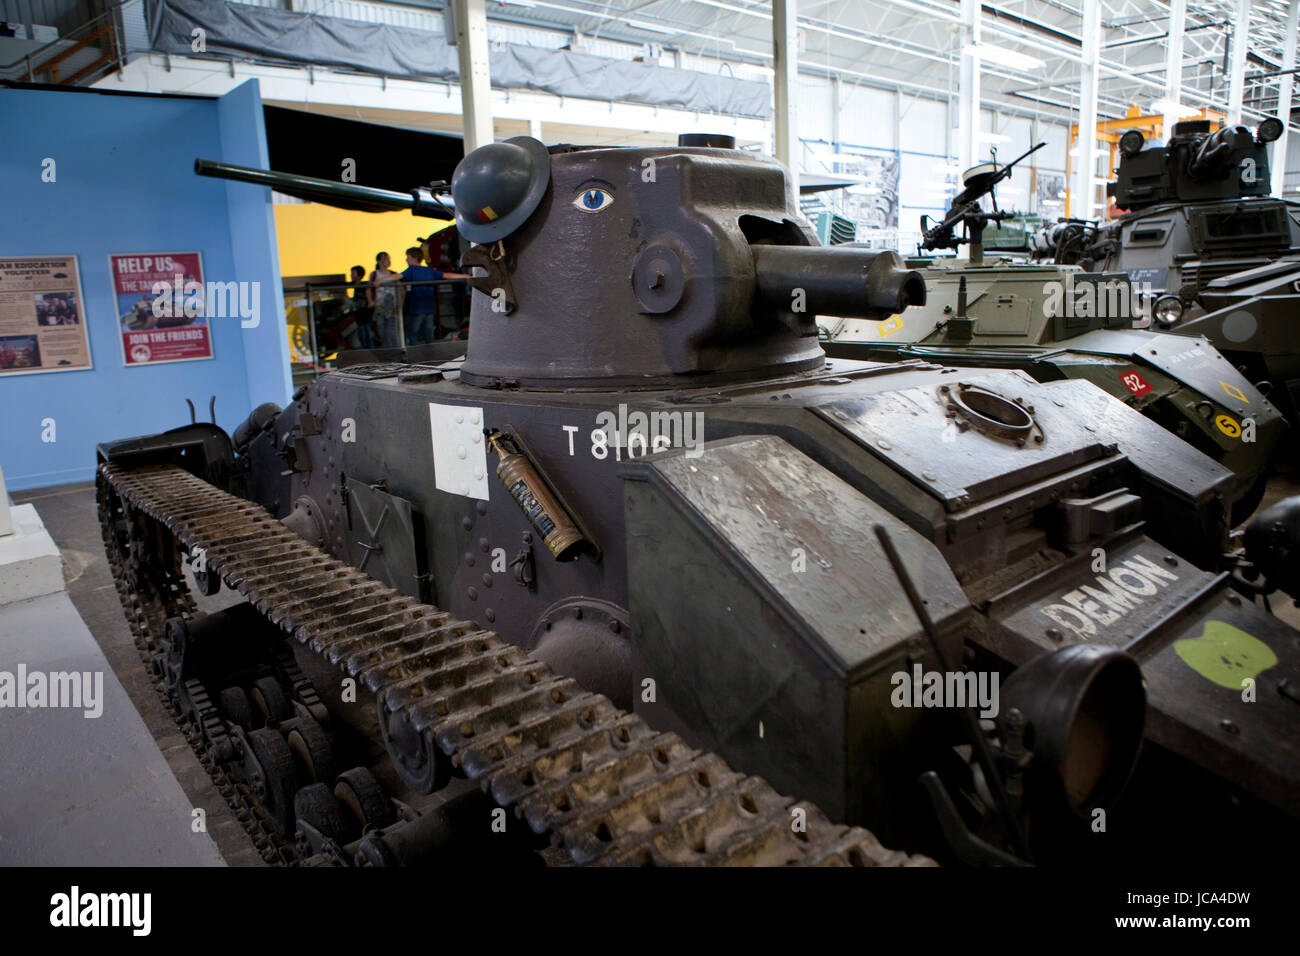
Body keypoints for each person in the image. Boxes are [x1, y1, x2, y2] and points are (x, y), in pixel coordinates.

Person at [400, 246, 467, 344]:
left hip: (418, 308)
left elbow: (397, 276)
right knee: (428, 334)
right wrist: (466, 276)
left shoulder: (411, 270)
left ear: (413, 257)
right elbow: (447, 275)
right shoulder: (429, 270)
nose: (406, 260)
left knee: (413, 333)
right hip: (429, 307)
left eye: (408, 257)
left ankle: (417, 355)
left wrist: (379, 281)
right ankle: (430, 353)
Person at [370, 251, 402, 348]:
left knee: (392, 331)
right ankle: (387, 351)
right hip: (380, 306)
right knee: (382, 331)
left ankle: (395, 350)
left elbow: (401, 289)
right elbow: (369, 288)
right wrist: (371, 301)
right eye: (386, 259)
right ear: (379, 261)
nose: (388, 261)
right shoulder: (375, 274)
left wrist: (400, 303)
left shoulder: (393, 273)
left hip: (392, 306)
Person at [347, 265, 376, 349]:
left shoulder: (364, 286)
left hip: (366, 317)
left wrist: (349, 301)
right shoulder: (356, 286)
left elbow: (361, 302)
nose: (351, 275)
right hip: (359, 317)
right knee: (362, 338)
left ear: (359, 275)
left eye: (353, 273)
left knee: (368, 338)